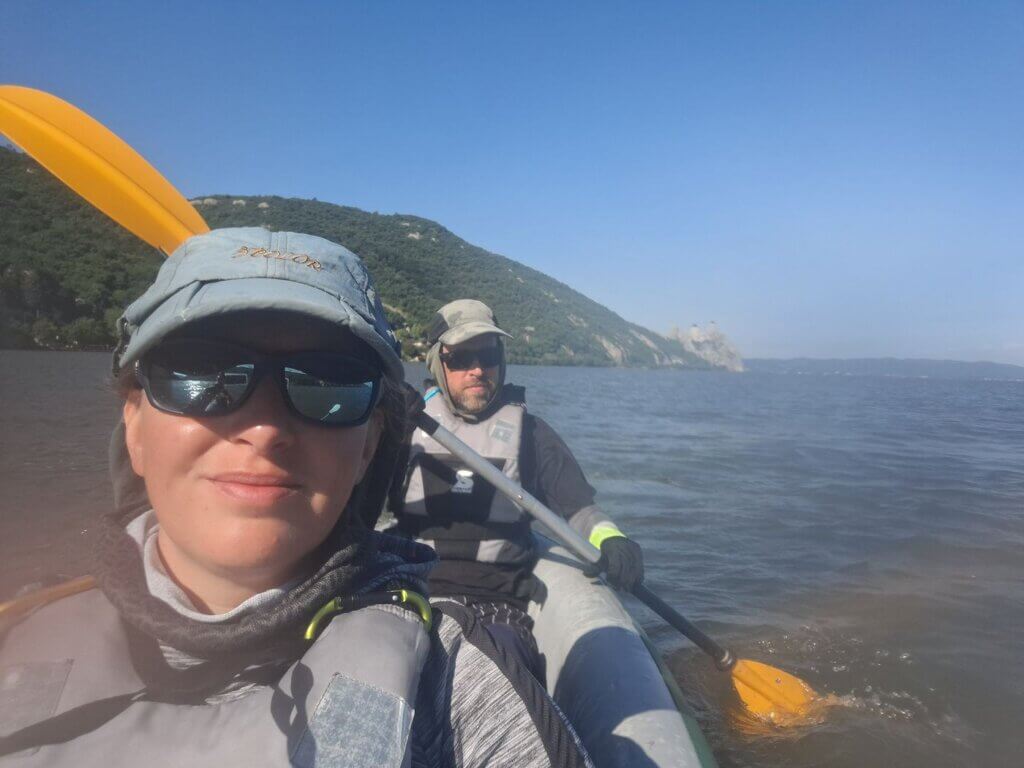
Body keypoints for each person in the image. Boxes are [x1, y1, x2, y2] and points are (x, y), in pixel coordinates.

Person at [0, 229, 592, 768]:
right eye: (201, 372)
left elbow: (578, 503)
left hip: (495, 606)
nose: (265, 429)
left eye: (329, 383)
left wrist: (608, 541)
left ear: (367, 447)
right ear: (132, 422)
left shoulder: (464, 694)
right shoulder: (14, 635)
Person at [388, 299, 645, 679]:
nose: (477, 369)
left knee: (497, 682)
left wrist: (612, 539)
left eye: (488, 355)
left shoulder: (533, 436)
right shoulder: (405, 425)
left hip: (495, 604)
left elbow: (581, 510)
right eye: (460, 358)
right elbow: (352, 497)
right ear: (436, 363)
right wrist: (384, 425)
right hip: (406, 593)